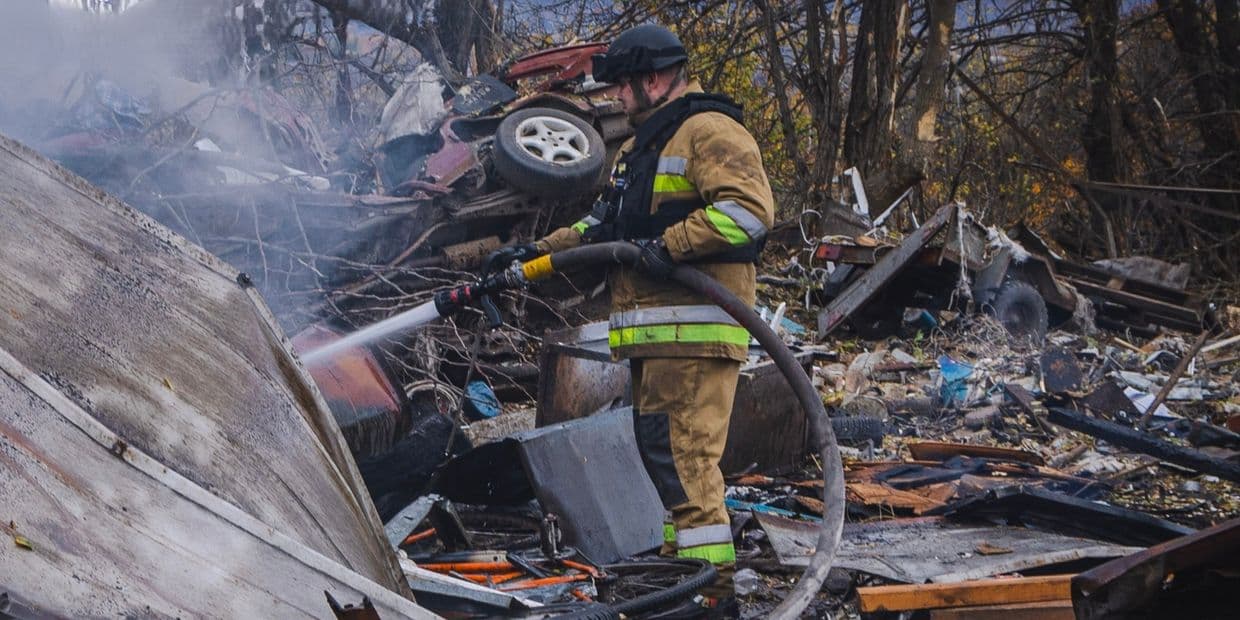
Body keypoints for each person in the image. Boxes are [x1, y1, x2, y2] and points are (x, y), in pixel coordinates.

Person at [491, 23, 774, 617]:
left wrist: (671, 245)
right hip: (660, 339)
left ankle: (713, 601)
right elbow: (601, 231)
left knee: (687, 463)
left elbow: (748, 214)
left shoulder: (710, 130)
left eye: (622, 86)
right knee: (665, 458)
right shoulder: (641, 150)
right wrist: (532, 261)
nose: (617, 97)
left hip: (696, 332)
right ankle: (686, 581)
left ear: (653, 78)